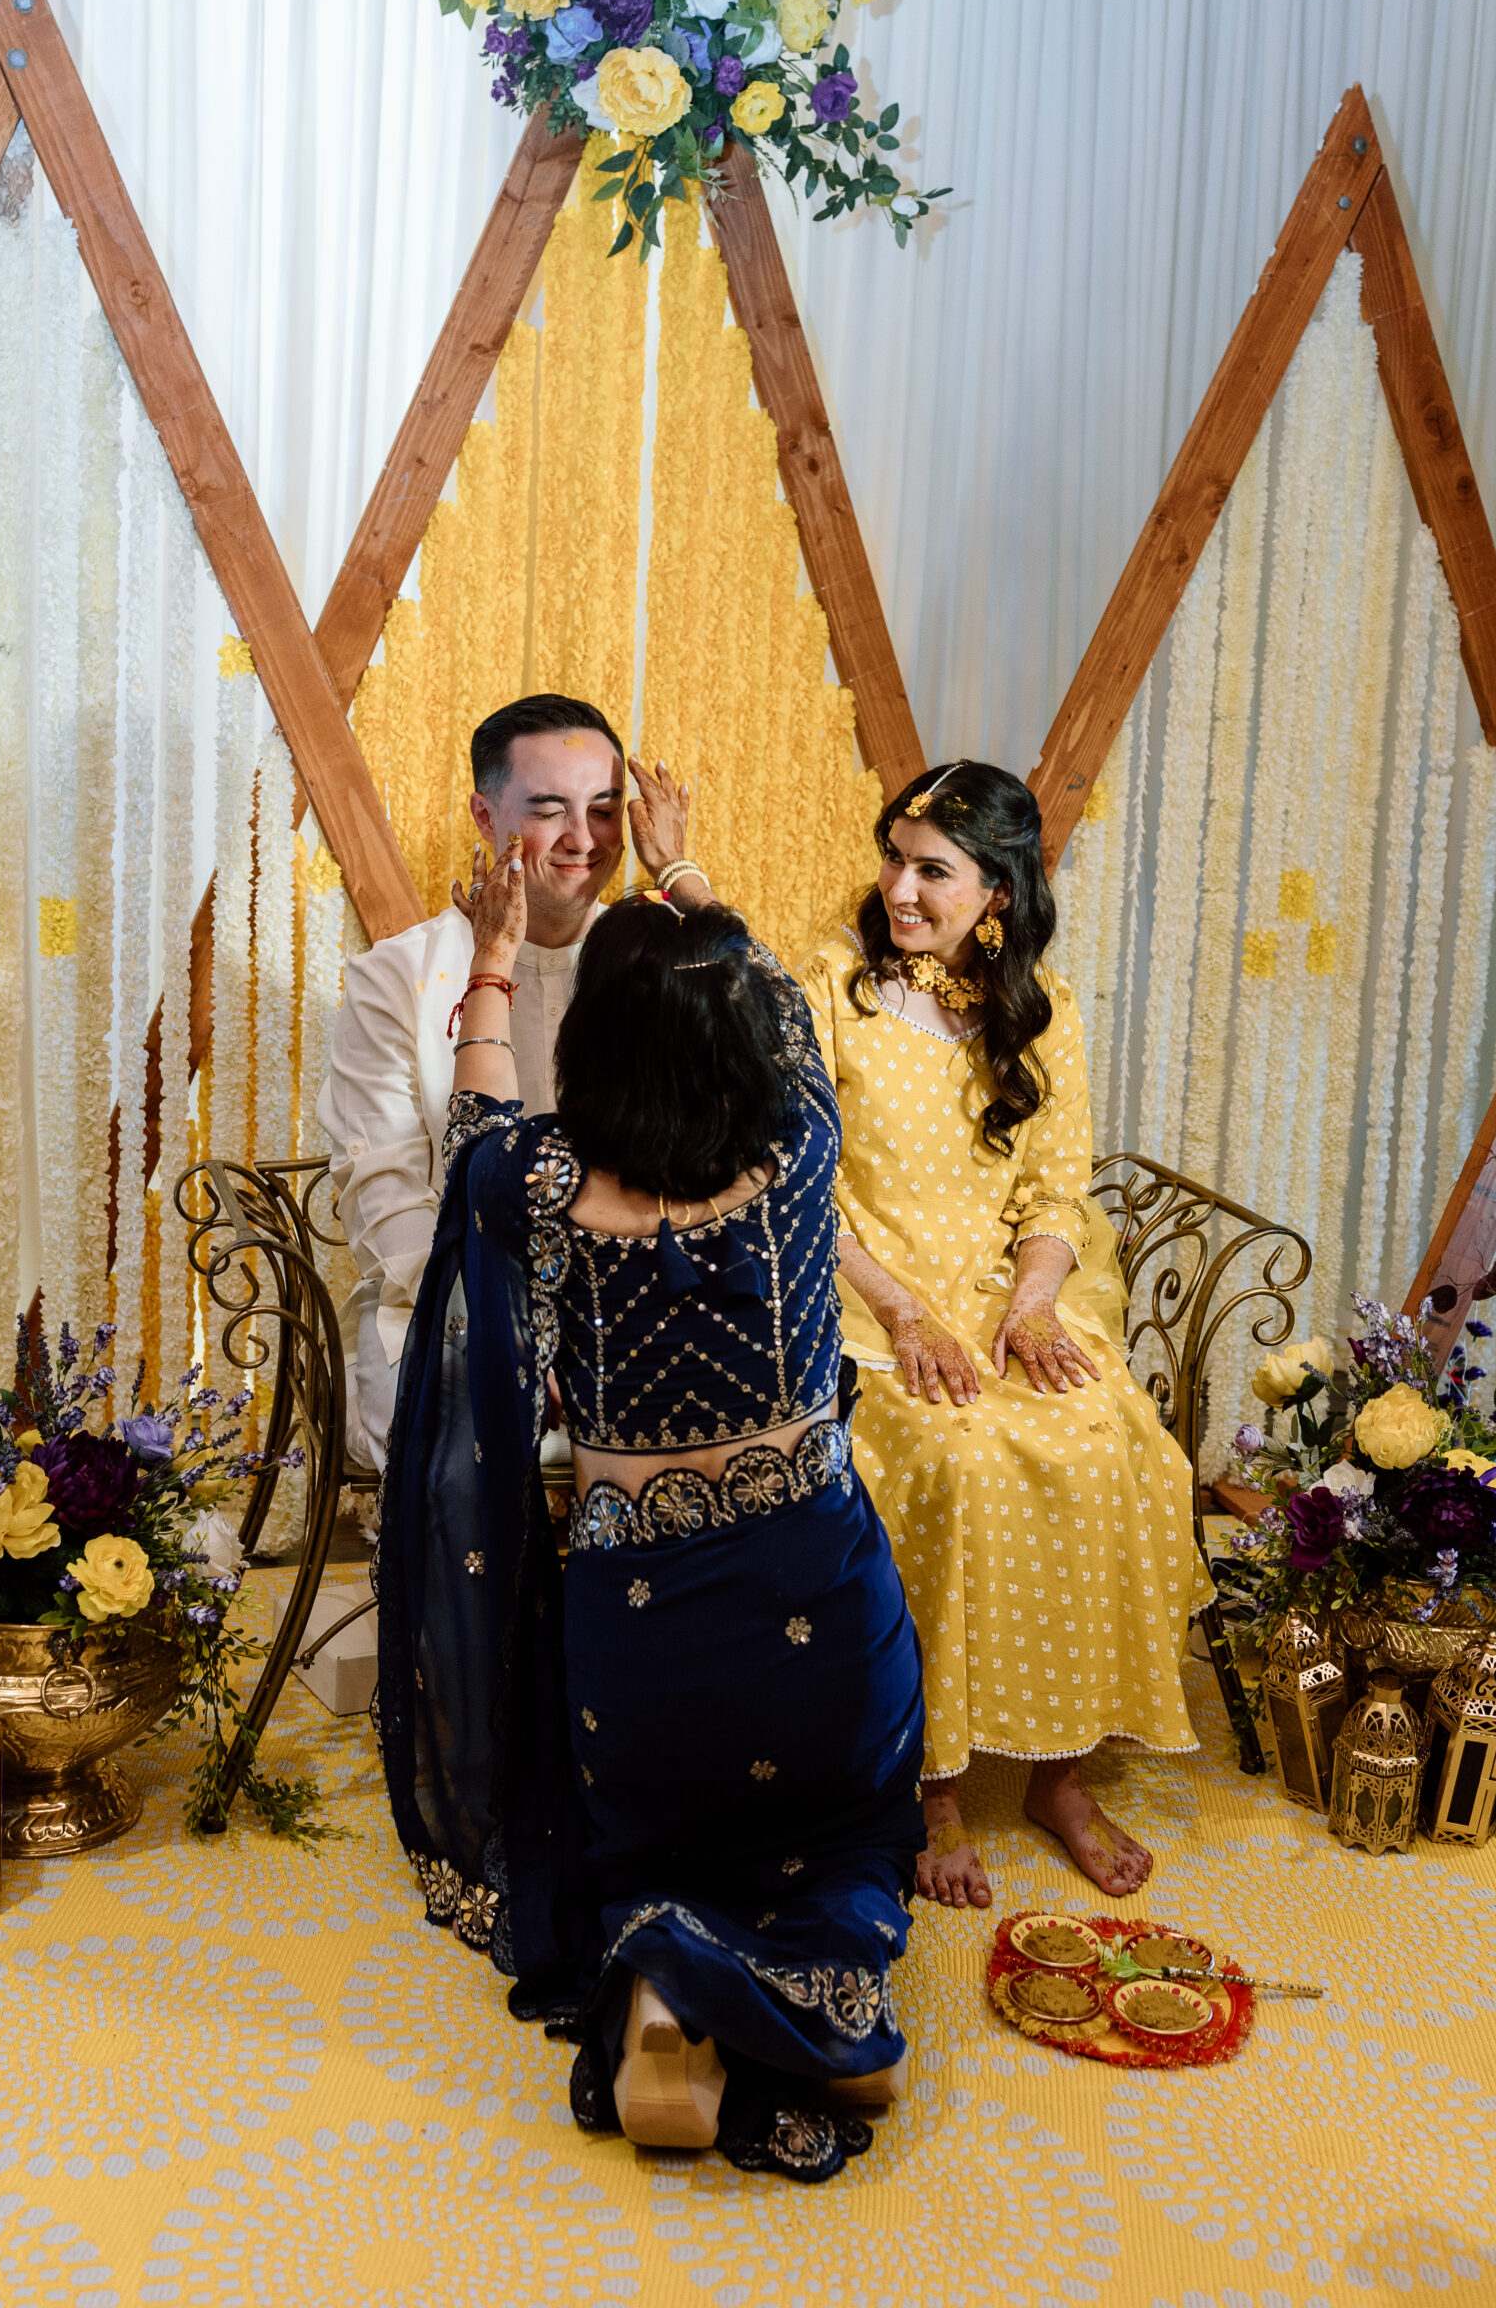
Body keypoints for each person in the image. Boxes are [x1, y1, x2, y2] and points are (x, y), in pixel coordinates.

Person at [375, 762, 925, 2185]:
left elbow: (473, 1121)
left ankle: (664, 1965)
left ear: (601, 1044)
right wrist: (682, 872)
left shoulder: (543, 1182)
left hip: (648, 1642)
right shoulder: (799, 1141)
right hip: (821, 1611)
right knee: (845, 1838)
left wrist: (493, 959)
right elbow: (774, 1001)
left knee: (655, 1846)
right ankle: (816, 2002)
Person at [797, 761, 1213, 1912]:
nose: (900, 887)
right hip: (873, 1294)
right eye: (895, 856)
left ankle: (1058, 1776)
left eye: (933, 869)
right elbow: (799, 1185)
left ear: (998, 892)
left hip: (1004, 1295)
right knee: (961, 1462)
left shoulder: (1042, 1008)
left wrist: (1029, 1306)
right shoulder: (836, 985)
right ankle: (930, 1788)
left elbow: (1055, 1194)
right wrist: (906, 1310)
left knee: (1115, 1445)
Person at [317, 694, 625, 1470]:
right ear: (485, 818)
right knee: (482, 1412)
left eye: (605, 808)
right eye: (549, 809)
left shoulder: (651, 965)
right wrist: (516, 1329)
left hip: (626, 1304)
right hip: (445, 1309)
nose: (582, 839)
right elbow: (385, 1200)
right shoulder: (398, 976)